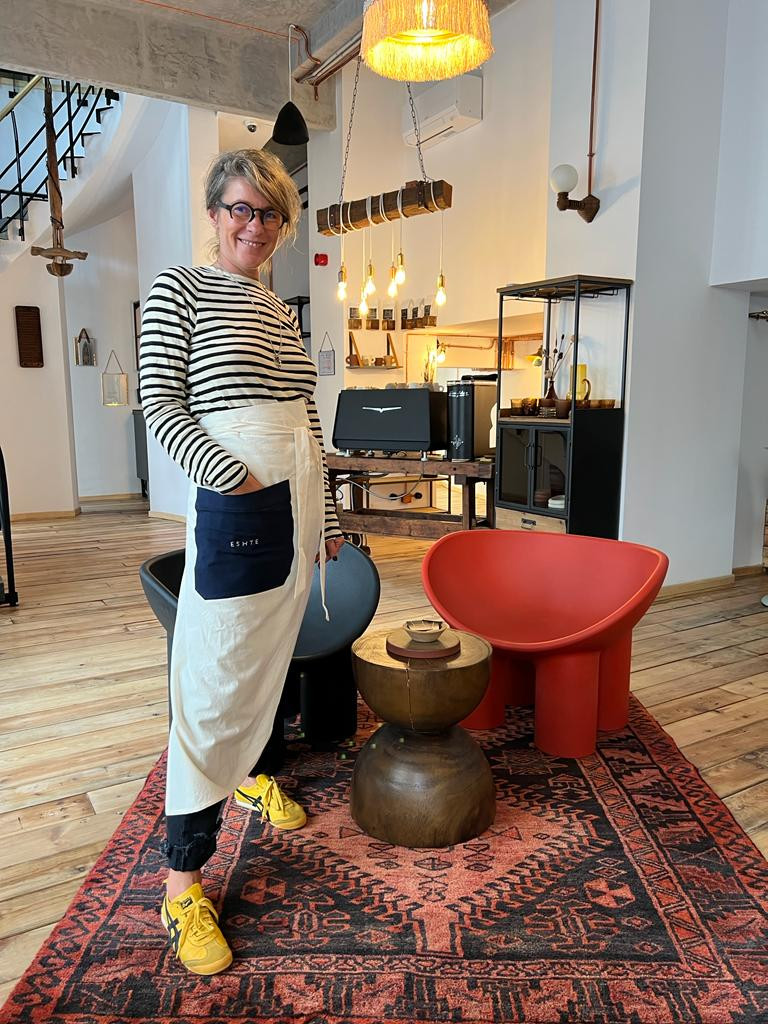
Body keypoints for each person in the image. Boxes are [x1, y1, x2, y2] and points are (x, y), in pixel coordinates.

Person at [138, 148, 344, 975]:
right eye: (240, 209)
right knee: (215, 678)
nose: (254, 225)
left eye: (270, 213)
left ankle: (253, 774)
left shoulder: (281, 310)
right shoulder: (180, 289)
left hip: (296, 502)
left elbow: (308, 420)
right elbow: (161, 403)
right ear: (214, 213)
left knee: (271, 655)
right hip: (244, 500)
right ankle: (181, 886)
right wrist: (236, 479)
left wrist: (327, 516)